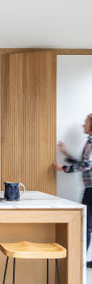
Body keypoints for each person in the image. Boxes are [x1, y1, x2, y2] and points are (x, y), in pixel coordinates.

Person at [53, 113, 92, 268]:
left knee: (87, 224)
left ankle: (80, 259)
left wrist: (64, 168)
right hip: (90, 188)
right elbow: (84, 162)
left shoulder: (91, 141)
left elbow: (87, 164)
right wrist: (66, 154)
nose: (83, 125)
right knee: (89, 224)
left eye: (86, 122)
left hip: (91, 189)